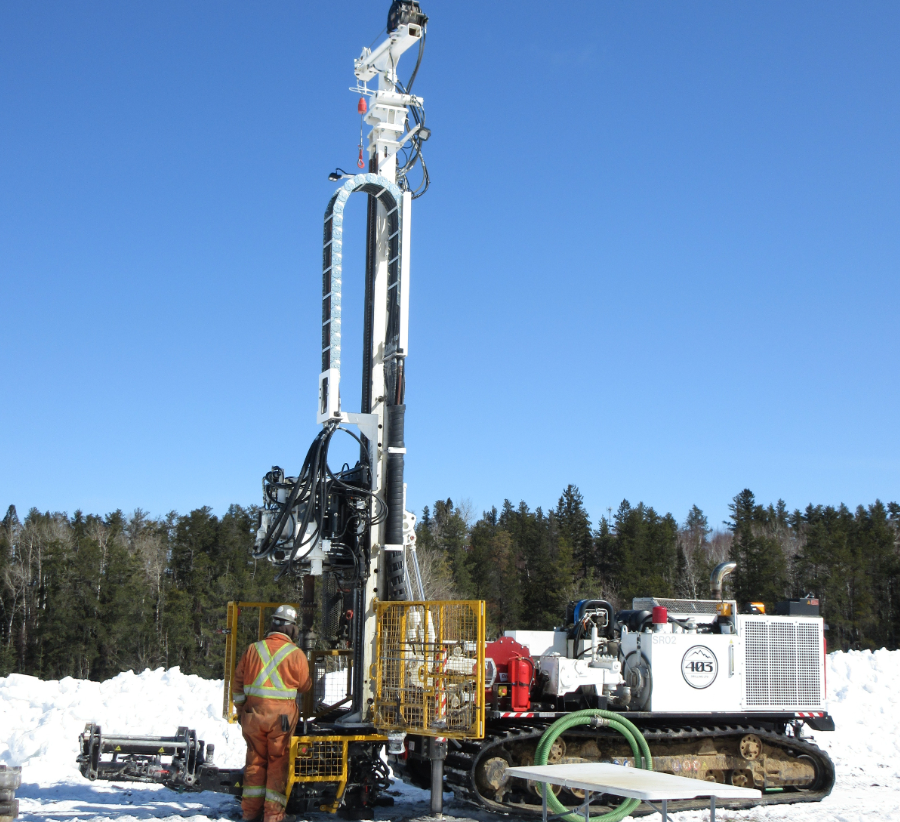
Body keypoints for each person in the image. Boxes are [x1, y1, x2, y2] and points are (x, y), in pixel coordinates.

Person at [233, 605, 311, 822]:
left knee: (255, 763)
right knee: (278, 763)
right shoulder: (296, 654)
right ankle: (273, 817)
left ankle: (249, 814)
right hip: (282, 721)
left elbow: (238, 685)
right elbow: (305, 686)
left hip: (253, 716)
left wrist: (242, 712)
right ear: (292, 629)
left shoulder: (252, 649)